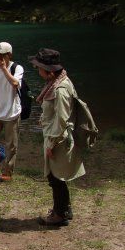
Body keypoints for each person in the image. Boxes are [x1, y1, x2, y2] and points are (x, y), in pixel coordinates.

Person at [28, 48, 84, 227]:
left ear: (50, 71)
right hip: (56, 136)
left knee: (55, 177)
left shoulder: (60, 89)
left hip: (58, 139)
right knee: (56, 177)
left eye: (40, 68)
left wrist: (51, 144)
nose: (38, 71)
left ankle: (59, 215)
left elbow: (62, 119)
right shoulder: (59, 81)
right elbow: (55, 113)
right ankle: (64, 209)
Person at [0, 41, 24, 181]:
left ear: (9, 55)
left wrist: (4, 69)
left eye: (2, 55)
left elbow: (15, 84)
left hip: (12, 113)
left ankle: (7, 172)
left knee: (11, 145)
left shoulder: (17, 68)